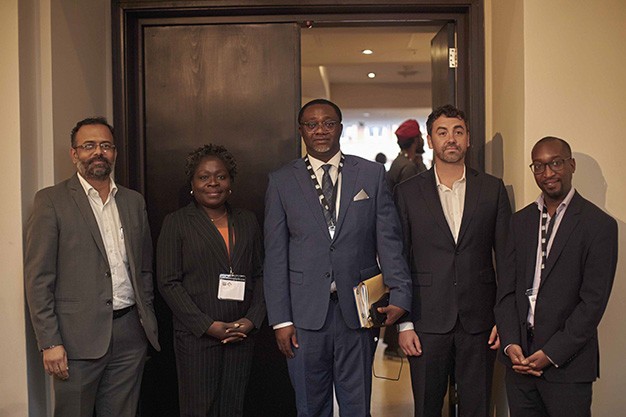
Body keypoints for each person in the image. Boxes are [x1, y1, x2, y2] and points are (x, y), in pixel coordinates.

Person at [264, 98, 412, 417]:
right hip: (303, 316)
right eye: (312, 124)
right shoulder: (281, 181)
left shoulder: (371, 174)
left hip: (358, 312)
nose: (320, 130)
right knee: (310, 406)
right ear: (301, 130)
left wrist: (400, 293)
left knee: (357, 405)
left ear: (340, 129)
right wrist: (281, 319)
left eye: (328, 123)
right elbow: (275, 256)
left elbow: (389, 241)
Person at [24, 117, 160, 417]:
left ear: (114, 153)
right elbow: (39, 279)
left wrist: (144, 318)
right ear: (74, 153)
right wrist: (49, 342)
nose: (98, 152)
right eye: (89, 146)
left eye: (106, 146)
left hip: (130, 334)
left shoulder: (133, 201)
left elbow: (144, 269)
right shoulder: (51, 201)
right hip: (76, 340)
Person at [395, 104, 511, 417]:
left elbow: (507, 259)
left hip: (481, 322)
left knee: (477, 408)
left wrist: (504, 318)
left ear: (468, 139)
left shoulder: (492, 189)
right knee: (427, 407)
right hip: (425, 320)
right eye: (442, 132)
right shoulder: (407, 192)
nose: (451, 139)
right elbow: (399, 259)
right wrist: (404, 323)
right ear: (430, 140)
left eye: (458, 132)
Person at [494, 137, 618, 417]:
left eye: (555, 163)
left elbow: (593, 304)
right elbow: (506, 291)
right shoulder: (519, 222)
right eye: (539, 166)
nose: (547, 173)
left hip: (568, 366)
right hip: (519, 363)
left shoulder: (599, 226)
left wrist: (551, 353)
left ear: (571, 165)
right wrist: (511, 344)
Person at [157, 144, 266, 417]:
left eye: (221, 176)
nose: (213, 183)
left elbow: (261, 274)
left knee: (233, 408)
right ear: (192, 184)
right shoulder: (177, 222)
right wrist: (207, 326)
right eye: (204, 177)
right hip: (197, 337)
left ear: (230, 182)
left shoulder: (247, 221)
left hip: (240, 335)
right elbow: (168, 282)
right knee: (199, 410)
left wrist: (252, 320)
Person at [387, 119, 427, 191]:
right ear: (416, 140)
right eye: (420, 136)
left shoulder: (399, 161)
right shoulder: (408, 167)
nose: (422, 140)